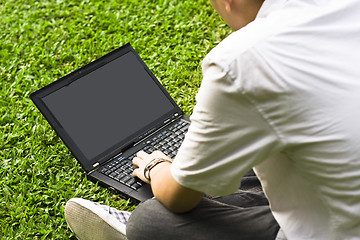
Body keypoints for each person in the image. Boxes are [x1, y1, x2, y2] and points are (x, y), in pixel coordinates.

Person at [65, 0, 360, 239]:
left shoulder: (240, 59)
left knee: (151, 221)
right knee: (256, 154)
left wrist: (157, 167)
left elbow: (178, 198)